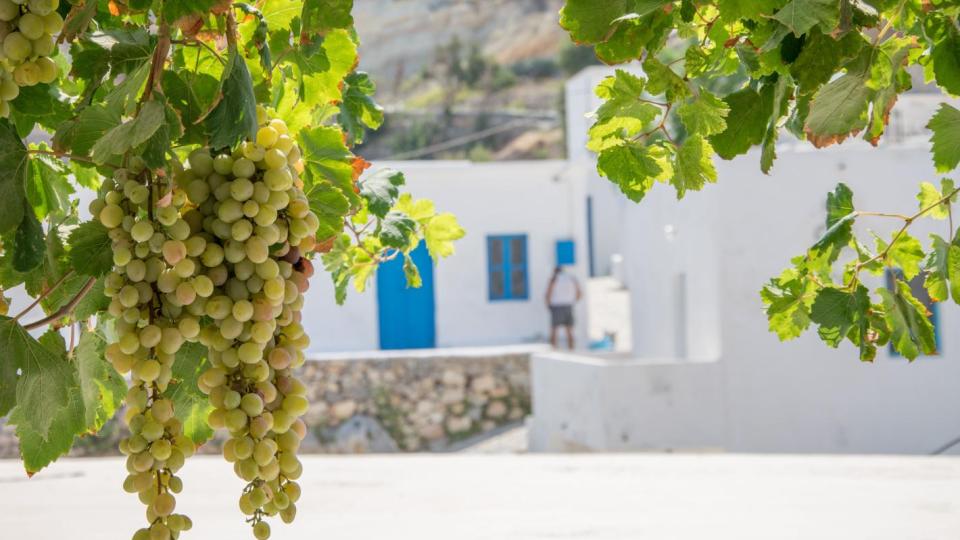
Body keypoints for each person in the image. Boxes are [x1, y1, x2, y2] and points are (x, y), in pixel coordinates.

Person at [545, 265, 581, 349]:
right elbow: (579, 293)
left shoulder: (554, 279)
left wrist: (548, 304)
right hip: (569, 305)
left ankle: (553, 350)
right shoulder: (571, 278)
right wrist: (572, 300)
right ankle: (571, 349)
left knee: (554, 330)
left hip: (557, 306)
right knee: (569, 330)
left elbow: (548, 293)